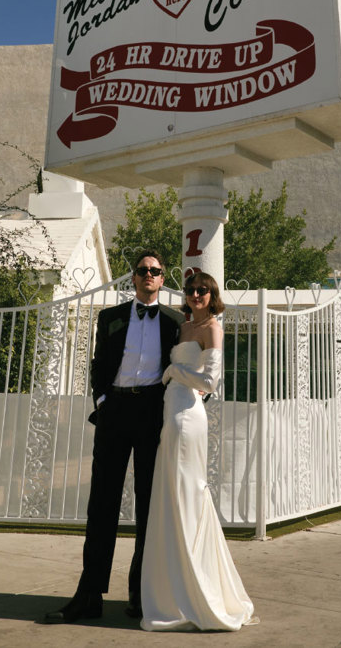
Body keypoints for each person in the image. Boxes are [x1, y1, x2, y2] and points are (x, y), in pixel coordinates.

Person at [45, 249, 183, 624]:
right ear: (133, 277)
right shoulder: (110, 317)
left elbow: (190, 362)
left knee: (149, 507)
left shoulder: (175, 320)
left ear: (162, 277)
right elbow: (98, 363)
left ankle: (142, 594)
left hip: (152, 414)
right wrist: (103, 400)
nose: (149, 276)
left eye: (155, 271)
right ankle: (89, 594)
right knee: (102, 504)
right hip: (115, 412)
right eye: (142, 270)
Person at [140, 270, 256, 631]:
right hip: (169, 415)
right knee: (171, 499)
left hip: (188, 418)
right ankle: (174, 588)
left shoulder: (212, 329)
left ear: (212, 294)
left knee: (188, 495)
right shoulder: (185, 327)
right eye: (191, 290)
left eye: (202, 290)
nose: (195, 295)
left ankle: (196, 590)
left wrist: (175, 370)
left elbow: (211, 383)